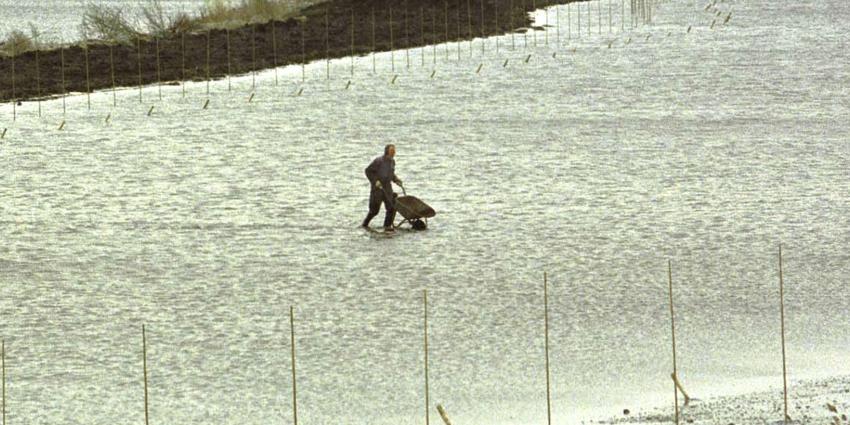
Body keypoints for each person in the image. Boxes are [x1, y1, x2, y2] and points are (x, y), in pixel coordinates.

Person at [362, 144, 403, 231]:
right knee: (374, 211)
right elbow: (368, 171)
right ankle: (365, 225)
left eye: (394, 151)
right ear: (387, 151)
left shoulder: (392, 162)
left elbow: (391, 174)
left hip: (387, 187)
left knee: (391, 207)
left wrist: (396, 179)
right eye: (392, 151)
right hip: (378, 188)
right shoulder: (378, 161)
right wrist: (375, 181)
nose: (394, 153)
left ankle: (387, 227)